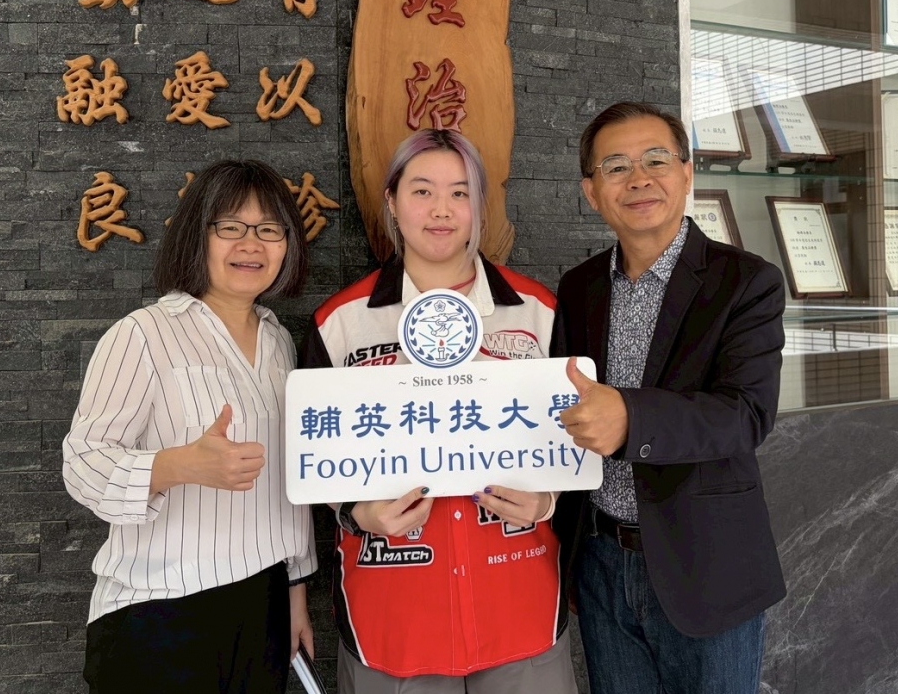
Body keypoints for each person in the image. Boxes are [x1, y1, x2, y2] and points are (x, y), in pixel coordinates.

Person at [301, 129, 578, 694]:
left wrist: (550, 499)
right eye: (422, 191)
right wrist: (357, 513)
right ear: (391, 201)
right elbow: (312, 456)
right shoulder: (341, 323)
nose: (442, 210)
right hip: (394, 615)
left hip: (519, 604)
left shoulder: (538, 311)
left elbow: (579, 436)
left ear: (480, 206)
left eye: (460, 193)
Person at [552, 101, 786, 694]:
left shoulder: (747, 282)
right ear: (591, 192)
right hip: (601, 559)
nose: (638, 179)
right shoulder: (577, 288)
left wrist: (632, 418)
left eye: (656, 160)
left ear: (686, 173)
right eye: (616, 167)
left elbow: (746, 414)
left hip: (707, 565)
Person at [63, 160, 317, 694]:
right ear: (196, 235)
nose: (251, 244)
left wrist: (295, 594)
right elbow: (84, 464)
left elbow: (291, 485)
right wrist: (179, 465)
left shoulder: (279, 343)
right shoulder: (143, 334)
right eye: (231, 226)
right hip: (160, 611)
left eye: (269, 229)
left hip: (264, 607)